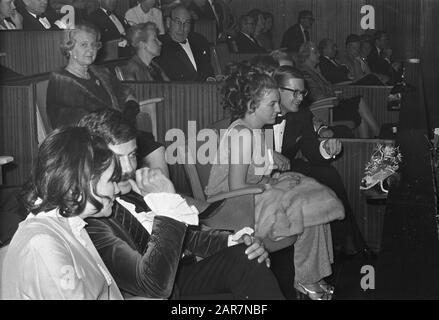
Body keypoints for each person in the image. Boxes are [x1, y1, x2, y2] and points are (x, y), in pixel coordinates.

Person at [78, 110, 285, 300]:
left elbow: (187, 237)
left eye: (131, 156)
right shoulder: (94, 215)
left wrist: (235, 241)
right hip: (160, 292)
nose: (127, 168)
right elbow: (151, 285)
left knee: (248, 256)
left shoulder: (132, 191)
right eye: (116, 158)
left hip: (182, 274)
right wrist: (166, 205)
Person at [205, 67, 344, 300]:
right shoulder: (243, 135)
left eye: (278, 103)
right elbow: (235, 187)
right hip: (232, 207)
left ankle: (311, 277)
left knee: (311, 195)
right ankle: (307, 279)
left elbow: (253, 177)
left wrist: (273, 181)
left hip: (252, 196)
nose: (279, 109)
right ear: (252, 105)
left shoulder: (254, 130)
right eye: (272, 104)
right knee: (306, 207)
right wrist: (270, 186)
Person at [1, 127, 124, 299]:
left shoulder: (69, 226)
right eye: (112, 180)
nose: (117, 189)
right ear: (81, 183)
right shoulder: (44, 243)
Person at [272, 65, 374, 263]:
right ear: (277, 90)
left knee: (329, 173)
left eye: (303, 92)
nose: (300, 98)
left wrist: (326, 149)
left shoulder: (301, 114)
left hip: (289, 165)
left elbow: (311, 149)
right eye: (295, 93)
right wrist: (267, 153)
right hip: (261, 168)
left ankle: (348, 238)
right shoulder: (260, 109)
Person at [46, 23, 167, 179]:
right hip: (90, 144)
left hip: (117, 136)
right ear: (69, 48)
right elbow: (70, 124)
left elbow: (125, 92)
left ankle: (160, 200)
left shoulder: (99, 72)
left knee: (156, 149)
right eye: (84, 45)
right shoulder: (62, 81)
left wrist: (129, 110)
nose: (91, 50)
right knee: (145, 150)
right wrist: (117, 125)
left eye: (94, 45)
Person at [298, 42, 380, 138]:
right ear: (306, 55)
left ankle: (367, 142)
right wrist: (335, 98)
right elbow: (317, 96)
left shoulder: (314, 70)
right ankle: (379, 136)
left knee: (358, 105)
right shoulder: (305, 73)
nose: (319, 55)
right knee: (358, 102)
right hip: (325, 110)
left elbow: (328, 87)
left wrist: (336, 96)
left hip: (331, 105)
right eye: (315, 53)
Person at [156, 4, 214, 81]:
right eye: (178, 22)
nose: (182, 28)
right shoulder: (160, 46)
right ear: (168, 22)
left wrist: (213, 81)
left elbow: (207, 70)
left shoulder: (199, 41)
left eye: (186, 23)